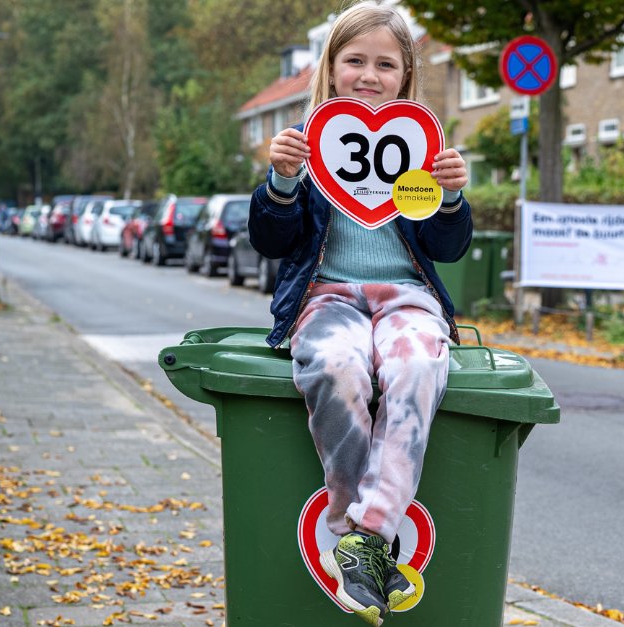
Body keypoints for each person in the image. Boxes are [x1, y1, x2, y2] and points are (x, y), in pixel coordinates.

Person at [247, 3, 472, 624]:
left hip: (406, 296)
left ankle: (365, 537)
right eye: (355, 61)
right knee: (335, 364)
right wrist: (283, 182)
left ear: (405, 76)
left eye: (385, 64)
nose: (369, 75)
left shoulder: (420, 146)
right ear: (330, 67)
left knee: (418, 362)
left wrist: (452, 197)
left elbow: (448, 249)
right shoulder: (307, 143)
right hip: (328, 293)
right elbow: (271, 240)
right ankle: (364, 540)